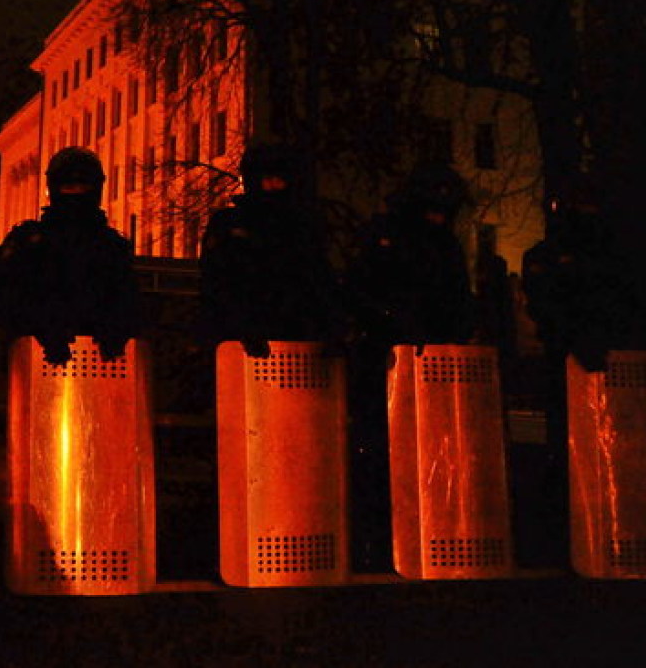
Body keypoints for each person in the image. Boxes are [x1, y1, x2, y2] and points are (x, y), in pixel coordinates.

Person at [345, 161, 475, 572]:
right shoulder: (390, 235)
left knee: (429, 454)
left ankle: (423, 535)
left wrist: (456, 334)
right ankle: (377, 541)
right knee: (379, 453)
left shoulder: (443, 242)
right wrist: (391, 324)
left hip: (430, 362)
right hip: (385, 358)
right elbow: (361, 289)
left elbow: (456, 296)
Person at [521, 175, 636, 566]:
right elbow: (548, 300)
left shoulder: (601, 253)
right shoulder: (555, 255)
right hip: (569, 356)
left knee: (609, 445)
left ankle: (602, 531)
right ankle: (568, 534)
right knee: (568, 444)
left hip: (591, 354)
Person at [0, 146, 139, 365]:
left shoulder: (112, 246)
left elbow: (127, 302)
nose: (76, 193)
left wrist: (111, 332)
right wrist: (42, 327)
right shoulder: (28, 242)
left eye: (82, 186)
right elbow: (5, 300)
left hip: (99, 363)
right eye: (69, 186)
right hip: (37, 358)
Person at [199, 142, 344, 356]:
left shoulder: (303, 225)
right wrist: (242, 327)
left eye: (280, 179)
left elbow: (317, 278)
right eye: (267, 179)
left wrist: (331, 329)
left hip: (297, 340)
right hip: (240, 344)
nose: (274, 186)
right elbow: (219, 282)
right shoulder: (229, 224)